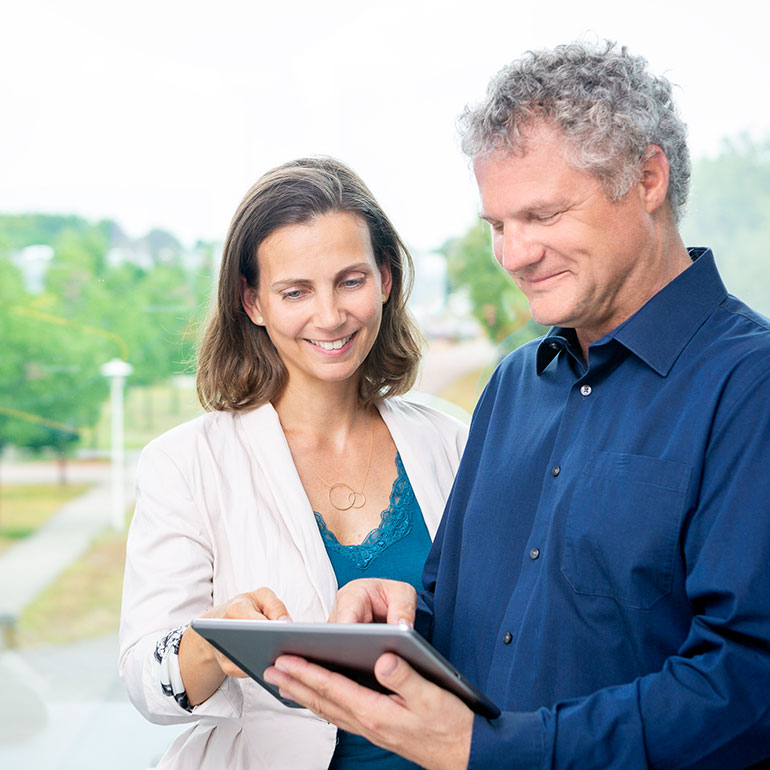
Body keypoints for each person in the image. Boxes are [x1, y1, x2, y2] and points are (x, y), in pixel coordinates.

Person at [262, 41, 770, 769]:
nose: (514, 254)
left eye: (543, 214)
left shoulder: (751, 387)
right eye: (497, 225)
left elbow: (748, 685)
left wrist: (493, 750)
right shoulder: (511, 387)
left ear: (648, 179)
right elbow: (458, 610)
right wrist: (400, 612)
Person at [118, 156, 468, 770]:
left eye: (351, 280)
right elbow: (147, 685)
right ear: (253, 302)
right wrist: (212, 641)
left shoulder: (455, 441)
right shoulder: (184, 463)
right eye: (296, 291)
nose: (330, 316)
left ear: (386, 279)